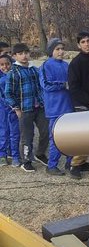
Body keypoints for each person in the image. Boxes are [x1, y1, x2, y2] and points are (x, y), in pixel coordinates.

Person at [5, 43, 49, 172]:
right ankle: (26, 160)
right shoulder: (13, 72)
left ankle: (40, 153)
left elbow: (41, 87)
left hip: (39, 107)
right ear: (14, 56)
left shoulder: (34, 69)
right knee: (27, 136)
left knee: (46, 131)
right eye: (20, 53)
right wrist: (16, 108)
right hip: (25, 109)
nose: (24, 56)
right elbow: (8, 93)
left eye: (26, 52)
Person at [67, 31, 89, 179]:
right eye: (83, 42)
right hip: (82, 103)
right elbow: (74, 88)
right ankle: (74, 165)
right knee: (84, 134)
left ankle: (83, 162)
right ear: (78, 45)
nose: (86, 44)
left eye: (88, 41)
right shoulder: (75, 63)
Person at [39, 38, 73, 175]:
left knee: (71, 136)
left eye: (62, 49)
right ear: (51, 51)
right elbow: (46, 85)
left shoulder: (66, 65)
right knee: (56, 138)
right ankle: (52, 165)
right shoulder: (46, 65)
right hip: (54, 108)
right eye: (57, 49)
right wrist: (63, 85)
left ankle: (71, 163)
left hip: (68, 106)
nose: (61, 52)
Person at [0, 54, 19, 167]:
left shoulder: (15, 75)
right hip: (3, 107)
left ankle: (15, 155)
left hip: (15, 108)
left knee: (15, 132)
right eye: (2, 65)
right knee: (3, 131)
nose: (5, 67)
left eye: (7, 64)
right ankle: (2, 155)